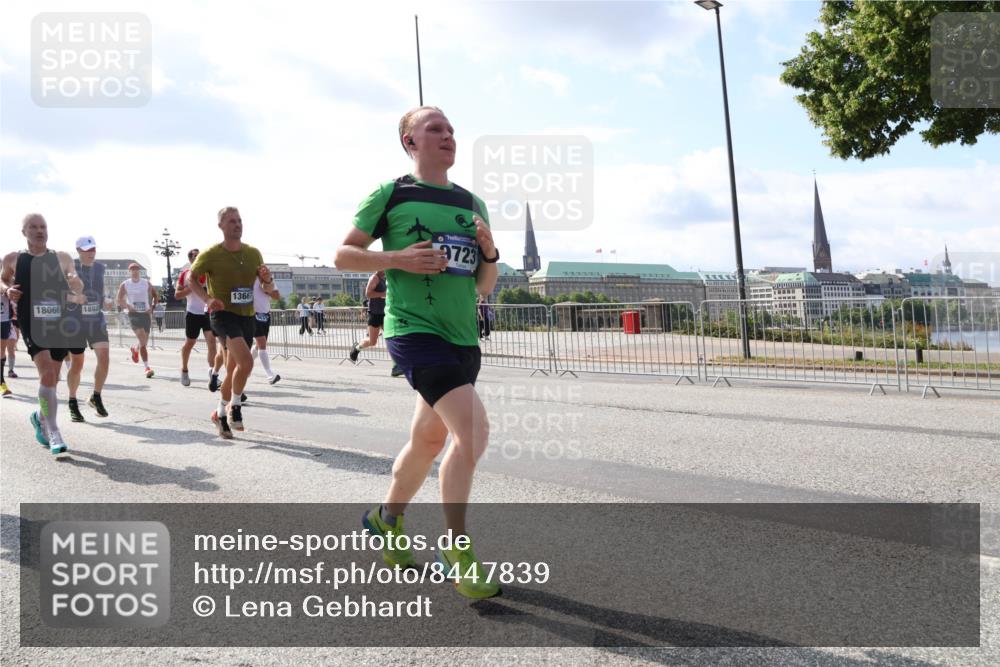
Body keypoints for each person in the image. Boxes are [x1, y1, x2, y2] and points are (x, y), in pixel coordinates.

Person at [334, 106, 501, 599]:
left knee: (428, 441)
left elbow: (483, 286)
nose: (448, 135)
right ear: (410, 141)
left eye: (451, 129)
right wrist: (397, 259)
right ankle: (457, 549)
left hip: (462, 338)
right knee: (474, 432)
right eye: (435, 129)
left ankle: (386, 519)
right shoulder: (391, 194)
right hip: (413, 331)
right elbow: (343, 255)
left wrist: (489, 252)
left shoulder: (471, 202)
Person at [1, 213, 88, 456]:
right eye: (33, 227)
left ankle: (39, 416)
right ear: (24, 232)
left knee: (52, 378)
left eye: (43, 226)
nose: (40, 231)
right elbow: (2, 280)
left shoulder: (61, 258)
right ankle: (53, 431)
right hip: (31, 320)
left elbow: (76, 283)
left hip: (58, 321)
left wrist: (75, 282)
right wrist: (7, 290)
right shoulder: (13, 258)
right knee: (48, 374)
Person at [187, 206, 272, 439]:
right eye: (232, 221)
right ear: (221, 226)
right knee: (246, 362)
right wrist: (207, 299)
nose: (237, 225)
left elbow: (266, 287)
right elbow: (191, 279)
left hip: (247, 316)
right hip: (222, 315)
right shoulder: (210, 254)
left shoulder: (253, 253)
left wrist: (267, 280)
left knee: (234, 369)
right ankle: (235, 407)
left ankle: (219, 413)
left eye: (240, 220)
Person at [66, 236, 111, 420]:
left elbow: (100, 291)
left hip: (96, 320)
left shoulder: (100, 268)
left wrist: (105, 300)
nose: (91, 253)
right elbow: (57, 294)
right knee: (77, 363)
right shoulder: (69, 267)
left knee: (104, 358)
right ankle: (72, 401)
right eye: (87, 250)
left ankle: (96, 396)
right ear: (78, 250)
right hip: (74, 321)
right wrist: (74, 298)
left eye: (93, 249)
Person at [175, 249, 221, 389]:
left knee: (212, 342)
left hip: (207, 313)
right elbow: (177, 295)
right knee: (190, 343)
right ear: (190, 260)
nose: (198, 258)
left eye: (199, 256)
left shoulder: (208, 273)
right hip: (192, 313)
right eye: (195, 256)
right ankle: (184, 370)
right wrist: (193, 287)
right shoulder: (185, 274)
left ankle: (212, 374)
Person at [117, 263, 157, 378]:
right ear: (129, 272)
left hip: (145, 314)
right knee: (142, 338)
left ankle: (135, 349)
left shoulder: (146, 283)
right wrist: (127, 306)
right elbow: (119, 299)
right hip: (133, 314)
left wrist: (152, 307)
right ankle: (147, 368)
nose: (134, 271)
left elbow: (155, 296)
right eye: (132, 269)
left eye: (136, 269)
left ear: (139, 271)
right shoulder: (125, 284)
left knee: (144, 342)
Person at [250, 270, 281, 384]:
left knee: (259, 345)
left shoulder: (268, 279)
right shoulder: (248, 277)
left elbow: (277, 296)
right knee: (262, 343)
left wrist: (268, 289)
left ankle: (246, 367)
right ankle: (270, 375)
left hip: (265, 314)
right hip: (252, 314)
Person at [350, 270, 386, 362]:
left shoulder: (384, 279)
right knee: (372, 342)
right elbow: (368, 294)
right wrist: (383, 294)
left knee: (392, 337)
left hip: (385, 313)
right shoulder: (374, 278)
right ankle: (357, 348)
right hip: (375, 314)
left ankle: (398, 362)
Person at [1, 290, 13, 396]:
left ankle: (1, 383)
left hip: (3, 321)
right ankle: (2, 384)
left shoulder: (6, 282)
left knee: (1, 352)